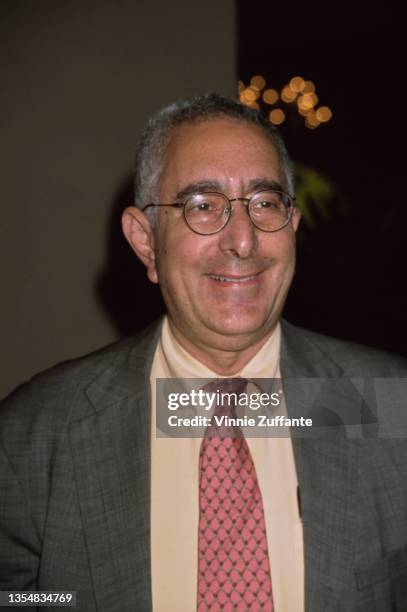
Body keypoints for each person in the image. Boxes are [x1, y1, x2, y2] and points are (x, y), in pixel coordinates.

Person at [1, 93, 407, 612]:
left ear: (293, 227)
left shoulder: (387, 406)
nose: (242, 240)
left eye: (264, 203)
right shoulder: (30, 438)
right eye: (202, 205)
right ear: (146, 240)